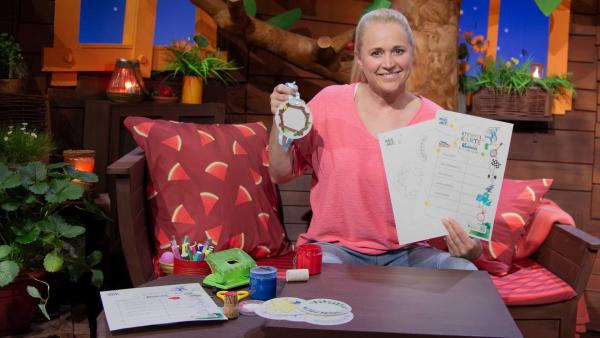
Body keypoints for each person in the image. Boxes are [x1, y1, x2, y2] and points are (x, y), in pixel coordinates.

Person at [268, 8, 481, 270]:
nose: (388, 62)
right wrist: (280, 118)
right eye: (376, 52)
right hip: (335, 249)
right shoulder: (329, 102)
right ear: (359, 57)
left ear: (412, 53)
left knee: (464, 270)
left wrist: (470, 249)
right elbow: (279, 172)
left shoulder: (438, 120)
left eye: (398, 51)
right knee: (322, 276)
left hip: (410, 254)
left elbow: (469, 228)